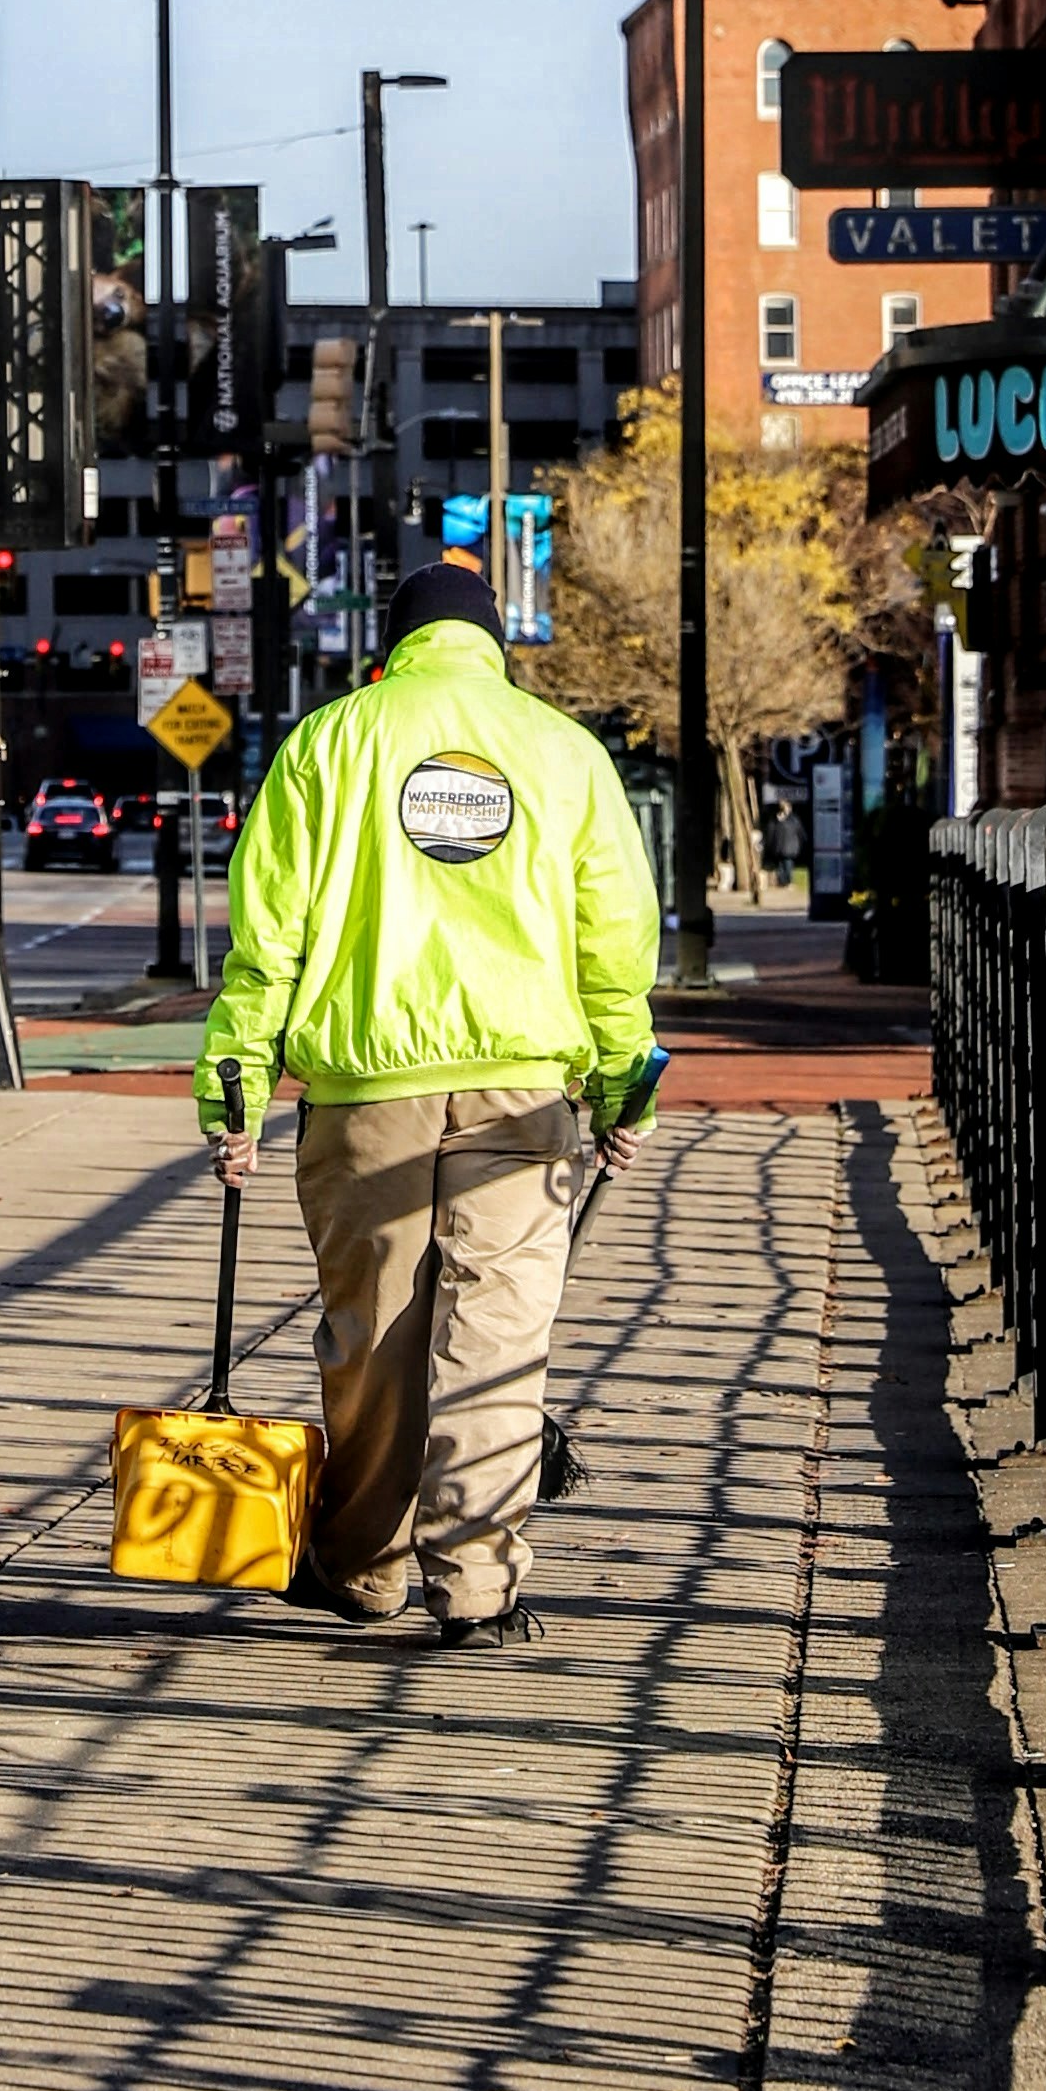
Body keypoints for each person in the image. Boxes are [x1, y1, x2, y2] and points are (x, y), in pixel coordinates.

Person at [195, 547, 662, 1647]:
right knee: (498, 1336)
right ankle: (481, 1585)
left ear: (393, 645)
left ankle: (361, 1567)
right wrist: (621, 1084)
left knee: (371, 1338)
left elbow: (265, 943)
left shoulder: (327, 745)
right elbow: (613, 942)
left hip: (365, 1090)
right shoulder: (563, 754)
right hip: (521, 1090)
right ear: (493, 643)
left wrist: (235, 1093)